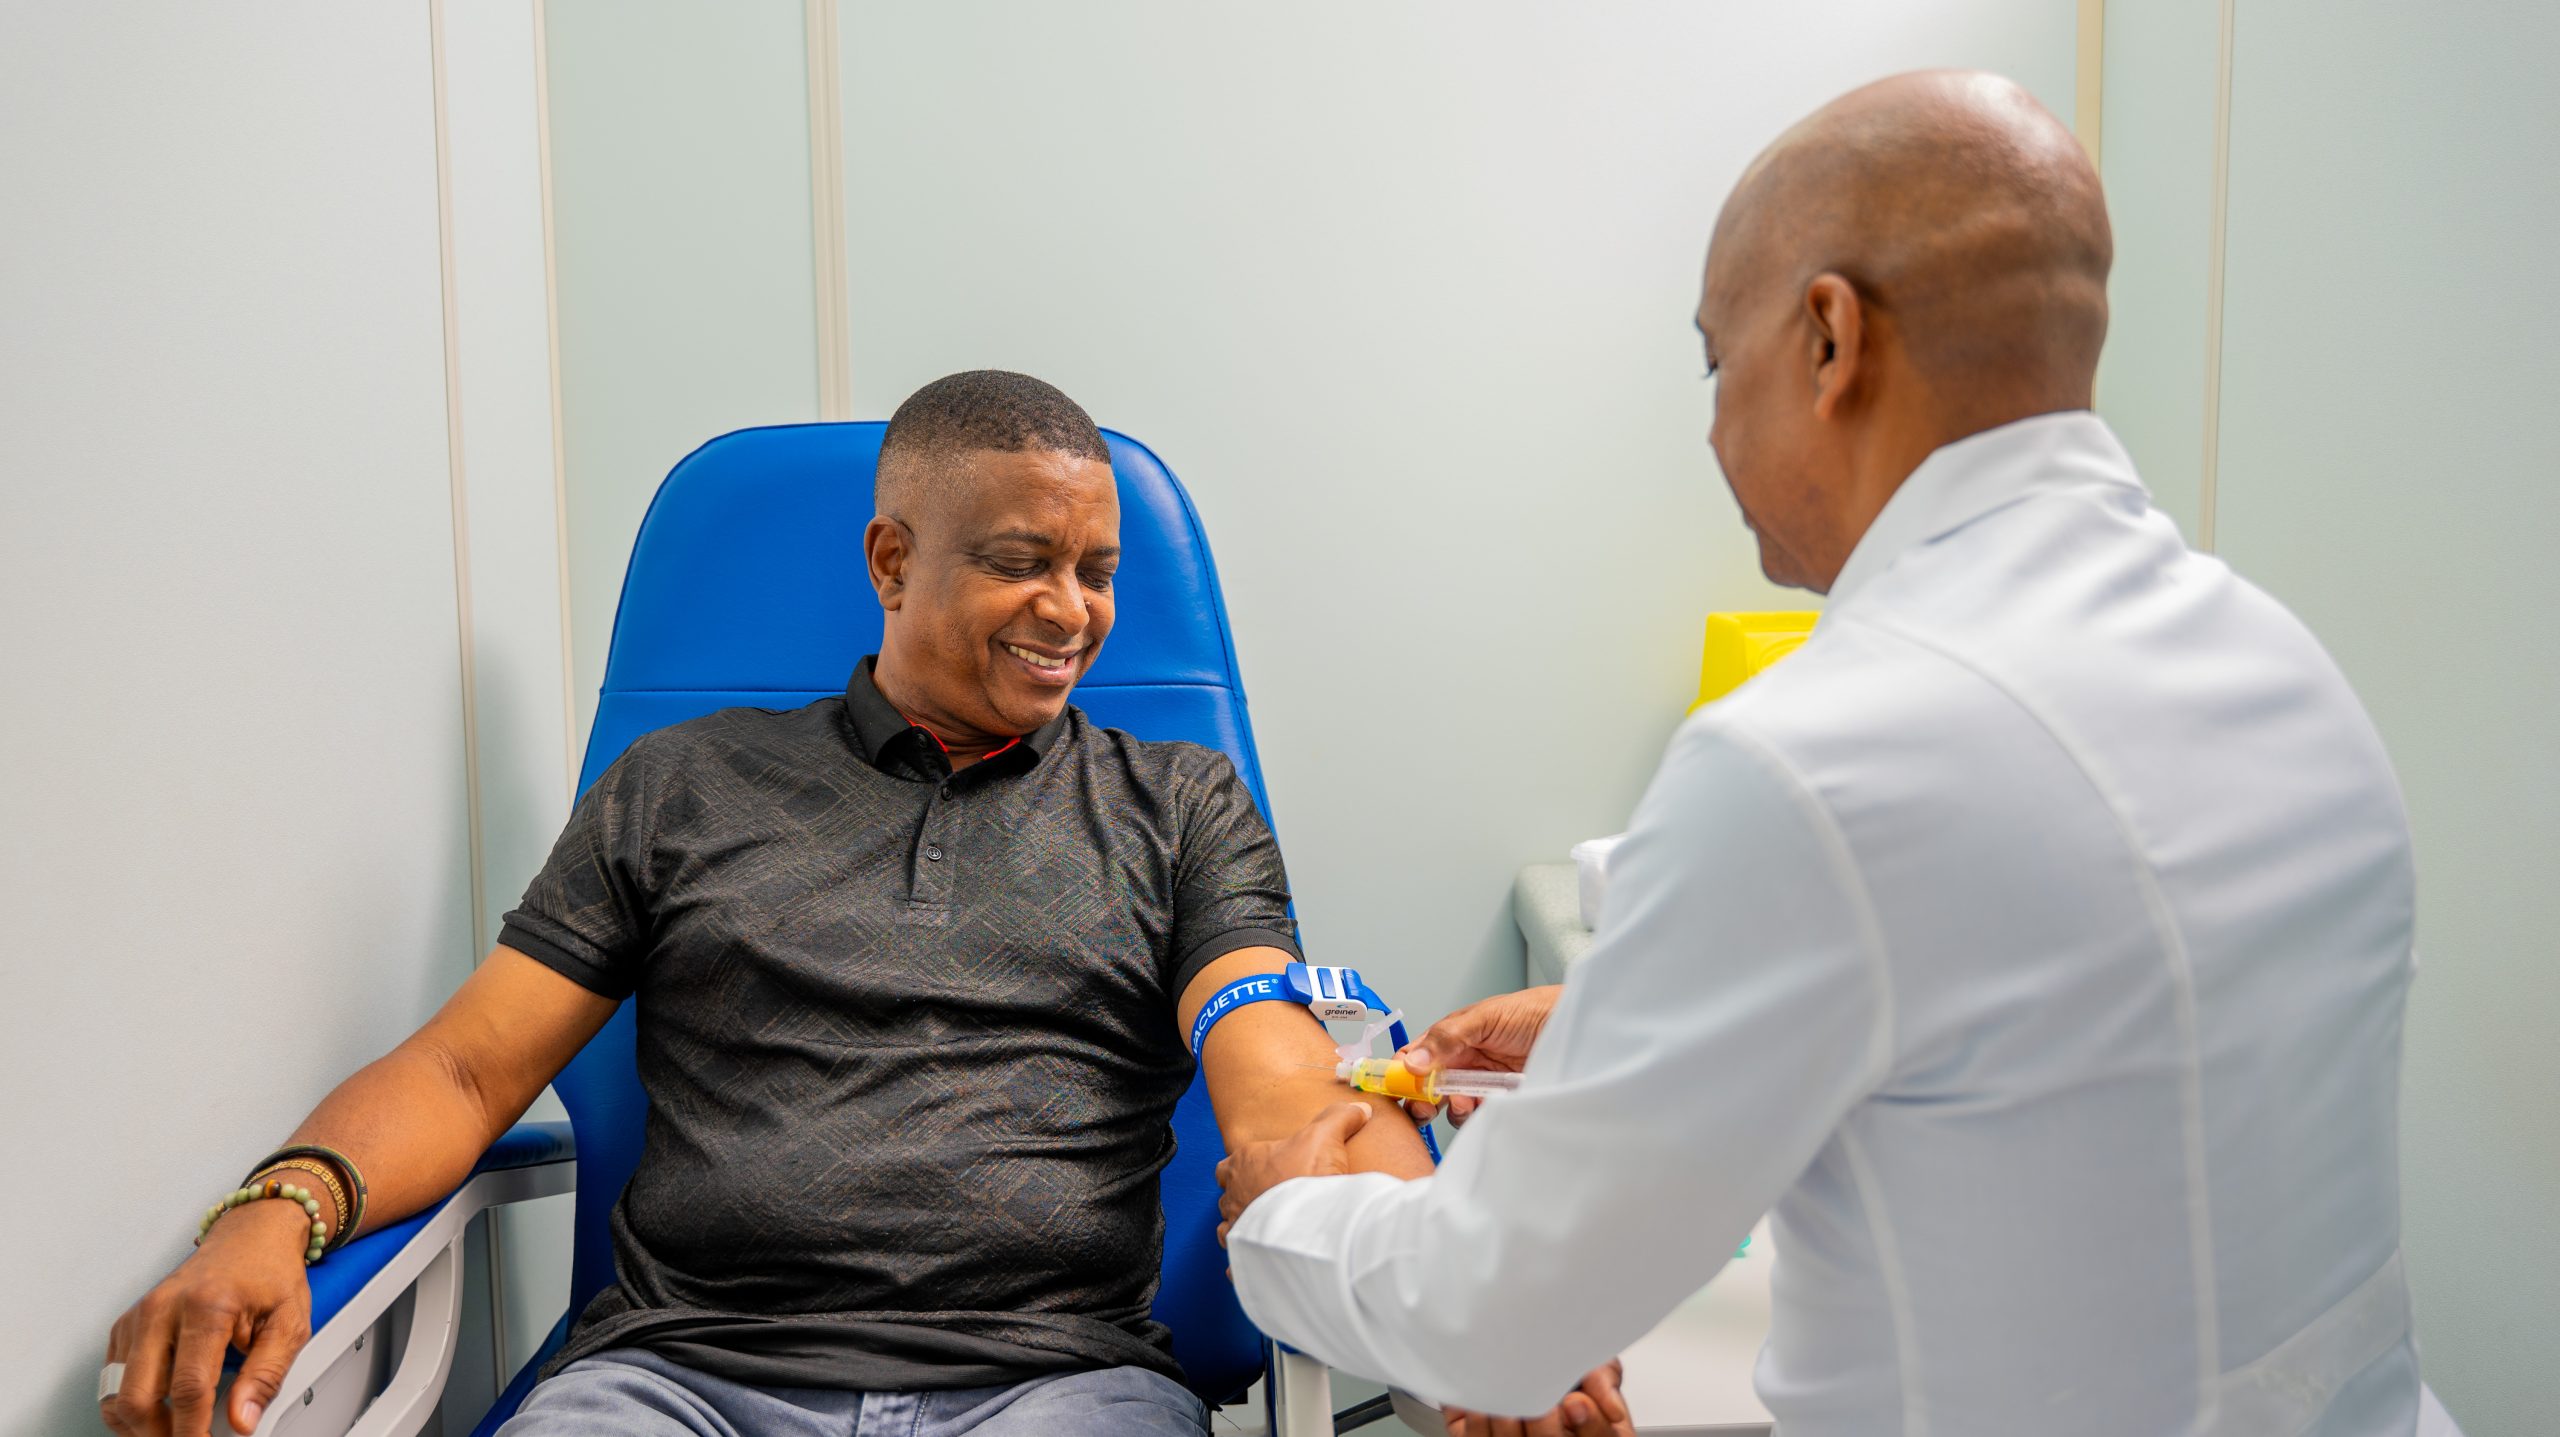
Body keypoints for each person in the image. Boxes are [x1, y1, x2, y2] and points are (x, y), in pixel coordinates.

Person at [1216, 72, 2452, 1437]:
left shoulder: (1809, 759)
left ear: (1827, 339)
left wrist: (1285, 1213)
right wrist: (1639, 1015)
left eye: (1712, 361)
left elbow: (1491, 1313)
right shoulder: (2276, 661)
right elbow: (2077, 1009)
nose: (1708, 428)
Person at [99, 371, 1631, 1437]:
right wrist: (274, 1211)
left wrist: (1468, 1290)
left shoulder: (1176, 806)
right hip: (678, 1379)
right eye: (1025, 562)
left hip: (1051, 1384)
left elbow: (1282, 1089)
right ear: (891, 560)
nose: (1075, 611)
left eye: (1096, 570)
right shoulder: (680, 784)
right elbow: (461, 1067)